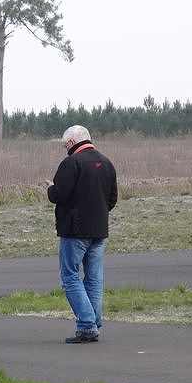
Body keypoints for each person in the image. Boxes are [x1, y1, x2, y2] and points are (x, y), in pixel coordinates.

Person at [46, 125, 117, 344]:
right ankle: (93, 322)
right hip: (99, 230)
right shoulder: (107, 162)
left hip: (75, 231)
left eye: (64, 144)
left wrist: (50, 188)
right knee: (94, 278)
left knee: (70, 276)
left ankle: (87, 325)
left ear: (71, 142)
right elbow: (112, 198)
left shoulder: (71, 163)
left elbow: (59, 194)